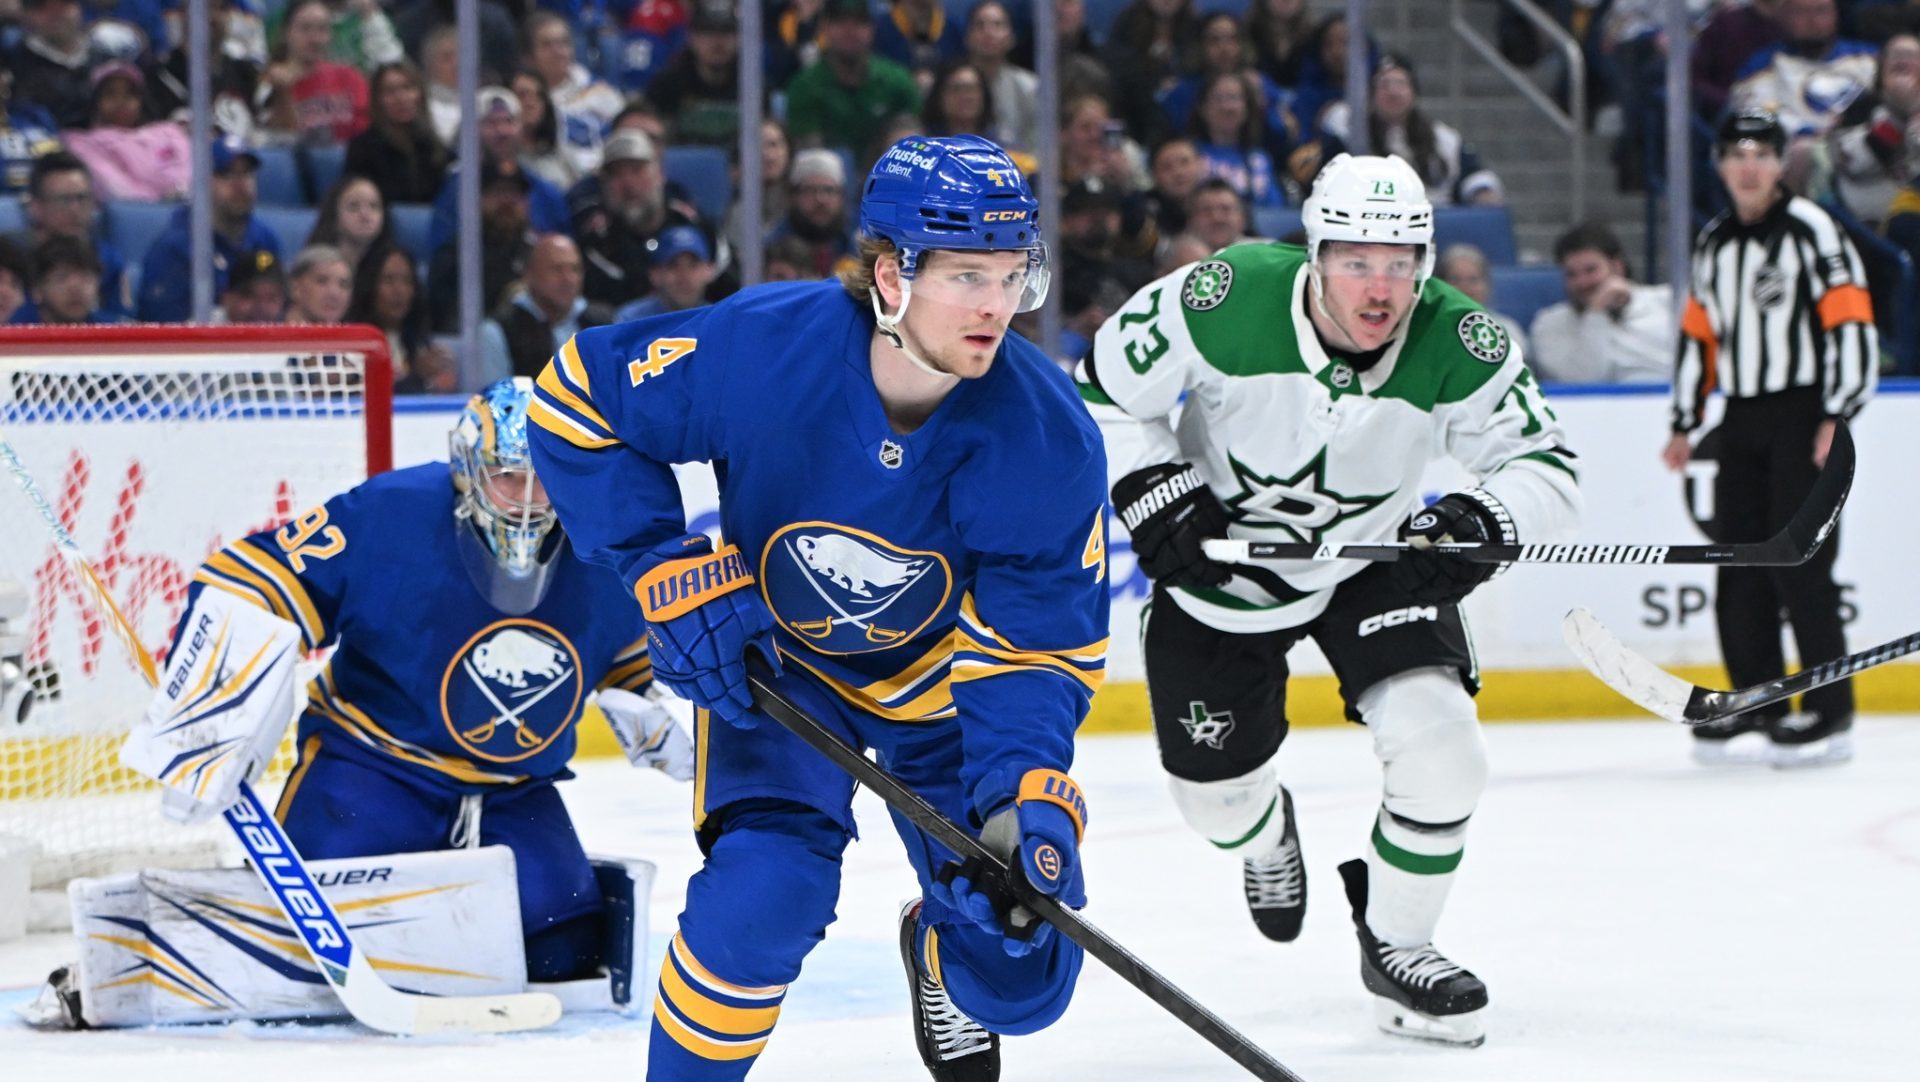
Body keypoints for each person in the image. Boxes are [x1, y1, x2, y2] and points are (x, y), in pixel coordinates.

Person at [527, 134, 1108, 1081]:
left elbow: (1038, 649)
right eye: (966, 276)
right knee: (760, 901)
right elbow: (574, 399)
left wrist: (1020, 798)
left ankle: (937, 947)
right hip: (780, 675)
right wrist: (658, 565)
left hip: (948, 696)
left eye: (1012, 275)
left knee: (1023, 968)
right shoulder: (763, 348)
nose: (997, 306)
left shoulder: (1048, 435)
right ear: (889, 276)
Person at [1077, 153, 1580, 1048]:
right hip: (1224, 568)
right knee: (1215, 806)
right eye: (1355, 260)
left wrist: (1480, 517)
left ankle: (1400, 947)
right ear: (1314, 253)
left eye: (1400, 263)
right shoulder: (1221, 295)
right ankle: (1266, 837)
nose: (1379, 287)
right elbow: (1102, 392)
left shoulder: (1460, 340)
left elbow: (1546, 464)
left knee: (1444, 748)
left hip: (1374, 562)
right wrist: (1153, 483)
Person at [130, 377, 691, 1003]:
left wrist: (652, 709)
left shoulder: (608, 540)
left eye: (547, 479)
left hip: (513, 791)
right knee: (300, 953)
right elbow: (249, 577)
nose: (531, 502)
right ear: (468, 467)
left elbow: (621, 654)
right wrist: (214, 698)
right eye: (510, 477)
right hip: (375, 768)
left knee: (569, 957)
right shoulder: (390, 514)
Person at [1662, 109, 1875, 769]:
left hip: (1804, 414)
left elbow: (1850, 321)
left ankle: (1829, 712)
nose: (1748, 168)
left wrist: (1836, 414)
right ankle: (1759, 703)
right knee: (1739, 569)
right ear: (1721, 166)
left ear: (1781, 164)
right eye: (1736, 155)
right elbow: (1700, 336)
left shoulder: (1813, 231)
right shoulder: (1715, 242)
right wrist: (1683, 420)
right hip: (1743, 418)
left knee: (1802, 566)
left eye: (1761, 155)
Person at [1527, 222, 1672, 384]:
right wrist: (1596, 313)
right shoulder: (1549, 324)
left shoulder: (1667, 301)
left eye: (1591, 270)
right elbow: (1583, 383)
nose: (1582, 283)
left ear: (1618, 267)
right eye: (1571, 274)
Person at [784, 0, 922, 159]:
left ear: (872, 29)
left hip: (888, 173)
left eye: (859, 22)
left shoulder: (898, 81)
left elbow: (912, 143)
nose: (849, 31)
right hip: (830, 179)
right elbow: (810, 152)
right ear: (824, 28)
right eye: (839, 22)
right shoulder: (805, 86)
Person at [476, 234, 611, 387]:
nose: (568, 278)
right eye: (557, 269)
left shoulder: (604, 324)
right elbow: (496, 402)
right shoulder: (498, 331)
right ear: (529, 274)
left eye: (575, 269)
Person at [347, 242, 455, 393]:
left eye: (407, 281)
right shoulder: (351, 347)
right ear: (369, 285)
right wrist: (416, 376)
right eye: (388, 280)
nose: (399, 290)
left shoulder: (420, 345)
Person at [259, 0, 371, 145]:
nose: (315, 39)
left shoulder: (351, 78)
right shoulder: (269, 81)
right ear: (286, 32)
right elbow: (281, 137)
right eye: (305, 29)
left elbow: (367, 132)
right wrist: (283, 91)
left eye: (322, 29)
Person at [343, 60, 449, 206]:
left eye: (408, 88)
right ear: (377, 100)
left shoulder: (435, 147)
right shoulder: (362, 149)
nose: (401, 98)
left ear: (420, 94)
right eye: (390, 91)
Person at [1435, 243, 1530, 360]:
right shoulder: (1430, 331)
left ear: (1487, 286)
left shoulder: (1507, 329)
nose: (1465, 288)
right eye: (1456, 279)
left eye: (1473, 280)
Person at [614, 225, 715, 322]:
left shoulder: (718, 320)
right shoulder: (632, 320)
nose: (684, 277)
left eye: (693, 265)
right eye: (673, 266)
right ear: (655, 275)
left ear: (709, 270)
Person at [305, 174, 391, 277]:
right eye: (353, 206)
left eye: (374, 206)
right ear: (334, 215)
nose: (365, 214)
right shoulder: (313, 266)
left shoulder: (391, 267)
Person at [282, 244, 354, 324]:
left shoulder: (360, 335)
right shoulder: (268, 332)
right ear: (295, 288)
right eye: (322, 281)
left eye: (343, 285)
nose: (334, 293)